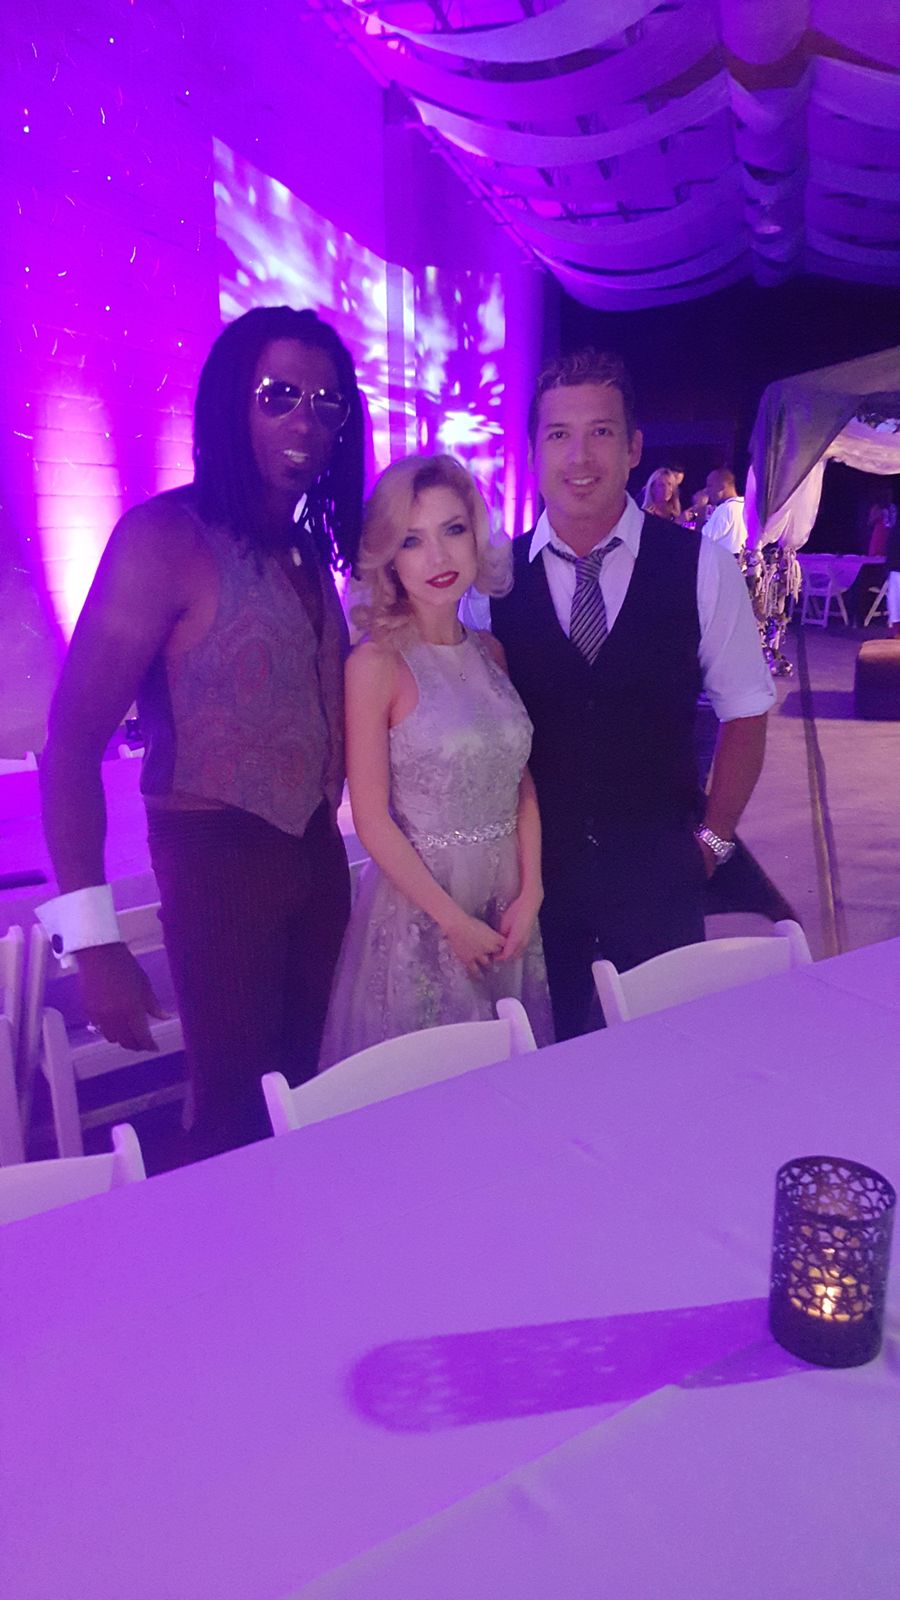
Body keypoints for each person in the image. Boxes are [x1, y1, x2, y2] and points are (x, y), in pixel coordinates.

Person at [39, 306, 365, 1157]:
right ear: (231, 403)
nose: (305, 421)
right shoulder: (163, 539)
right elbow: (69, 747)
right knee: (231, 1115)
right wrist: (93, 942)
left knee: (308, 1094)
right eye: (279, 395)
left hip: (315, 855)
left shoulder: (306, 550)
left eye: (327, 402)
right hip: (216, 860)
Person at [490, 349, 776, 1041]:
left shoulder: (701, 566)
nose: (579, 456)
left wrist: (711, 842)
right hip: (532, 885)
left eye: (601, 431)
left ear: (634, 448)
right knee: (543, 1063)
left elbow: (746, 711)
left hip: (660, 875)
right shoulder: (491, 580)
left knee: (665, 1061)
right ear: (533, 452)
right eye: (559, 434)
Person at [319, 454, 552, 1067]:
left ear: (476, 536)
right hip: (424, 908)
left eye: (453, 530)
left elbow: (519, 782)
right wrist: (451, 920)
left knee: (510, 1081)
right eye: (412, 540)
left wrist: (532, 889)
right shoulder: (375, 664)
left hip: (508, 903)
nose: (438, 557)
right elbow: (371, 820)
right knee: (434, 1086)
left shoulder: (491, 652)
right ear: (389, 558)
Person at [703, 467, 747, 555]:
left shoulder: (725, 509)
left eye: (710, 486)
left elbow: (702, 541)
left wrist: (701, 508)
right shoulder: (746, 505)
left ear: (722, 487)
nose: (706, 491)